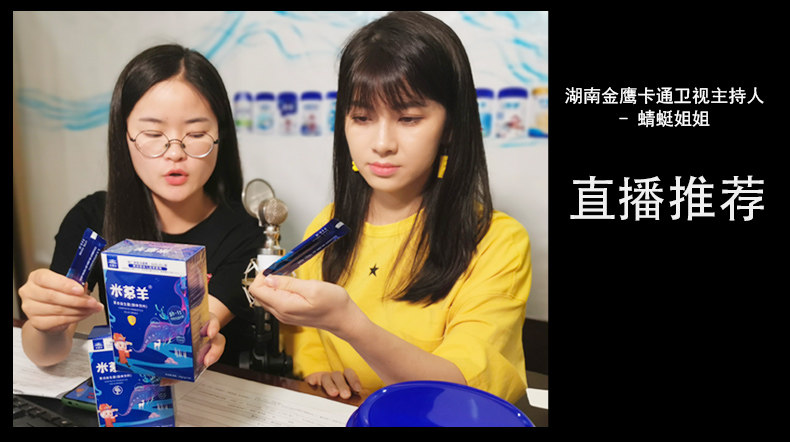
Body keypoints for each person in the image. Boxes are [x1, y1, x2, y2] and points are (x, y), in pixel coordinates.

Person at [249, 11, 532, 403]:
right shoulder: (329, 225)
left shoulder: (497, 242)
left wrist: (349, 324)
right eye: (362, 117)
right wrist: (317, 371)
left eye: (409, 118)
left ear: (450, 126)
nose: (382, 143)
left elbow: (460, 392)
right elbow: (307, 334)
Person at [19, 44, 264, 371]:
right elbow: (46, 354)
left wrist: (202, 336)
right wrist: (45, 322)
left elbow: (198, 334)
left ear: (221, 137)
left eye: (196, 133)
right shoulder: (93, 219)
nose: (175, 152)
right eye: (153, 133)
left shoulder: (246, 236)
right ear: (125, 137)